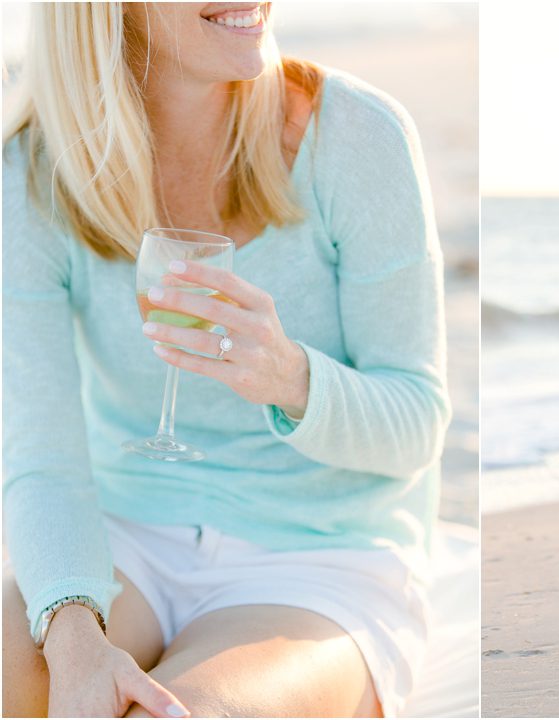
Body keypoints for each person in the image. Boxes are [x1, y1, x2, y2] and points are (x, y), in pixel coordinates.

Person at [2, 3, 450, 717]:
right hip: (123, 538)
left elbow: (417, 426)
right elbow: (42, 458)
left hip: (317, 558)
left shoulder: (357, 134)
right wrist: (74, 634)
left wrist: (288, 376)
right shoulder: (29, 173)